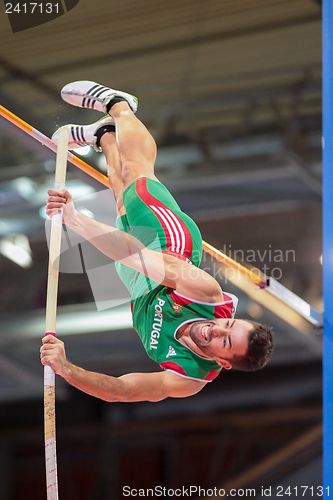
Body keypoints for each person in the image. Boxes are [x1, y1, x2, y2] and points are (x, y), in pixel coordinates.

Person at [41, 80, 273, 403]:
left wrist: (66, 369)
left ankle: (104, 135)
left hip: (141, 289)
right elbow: (135, 255)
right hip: (169, 246)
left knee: (121, 198)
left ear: (223, 363)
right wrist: (75, 219)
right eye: (228, 324)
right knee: (138, 175)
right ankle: (119, 105)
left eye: (225, 342)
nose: (217, 329)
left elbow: (124, 390)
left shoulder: (188, 377)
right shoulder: (207, 293)